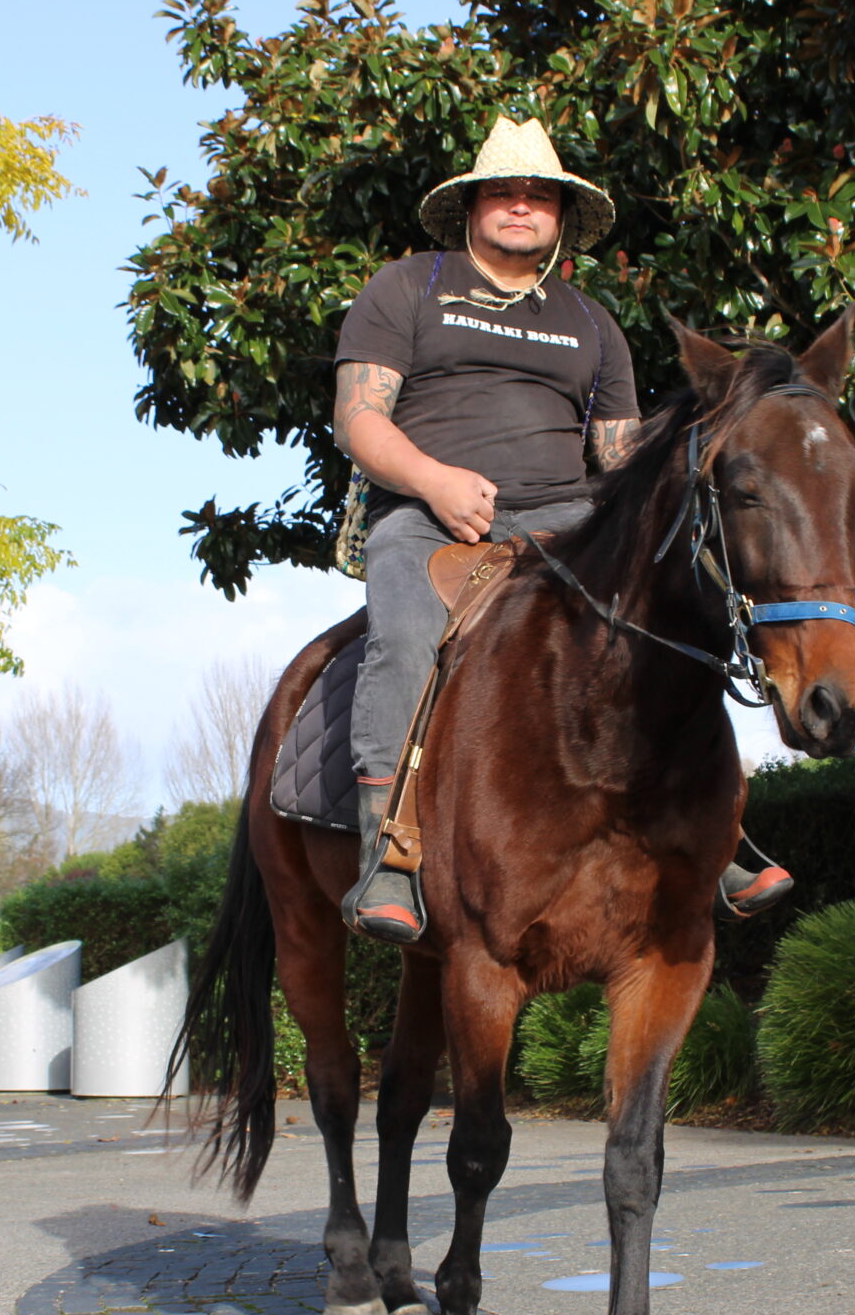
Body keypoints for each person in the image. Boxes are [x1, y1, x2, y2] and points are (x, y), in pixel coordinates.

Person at [330, 116, 792, 944]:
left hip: (565, 519)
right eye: (503, 192)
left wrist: (713, 431)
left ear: (559, 219)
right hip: (429, 521)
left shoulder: (591, 324)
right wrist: (433, 481)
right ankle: (388, 854)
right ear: (471, 207)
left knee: (666, 619)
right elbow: (358, 419)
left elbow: (620, 454)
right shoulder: (406, 288)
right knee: (402, 638)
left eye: (538, 195)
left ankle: (716, 831)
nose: (520, 205)